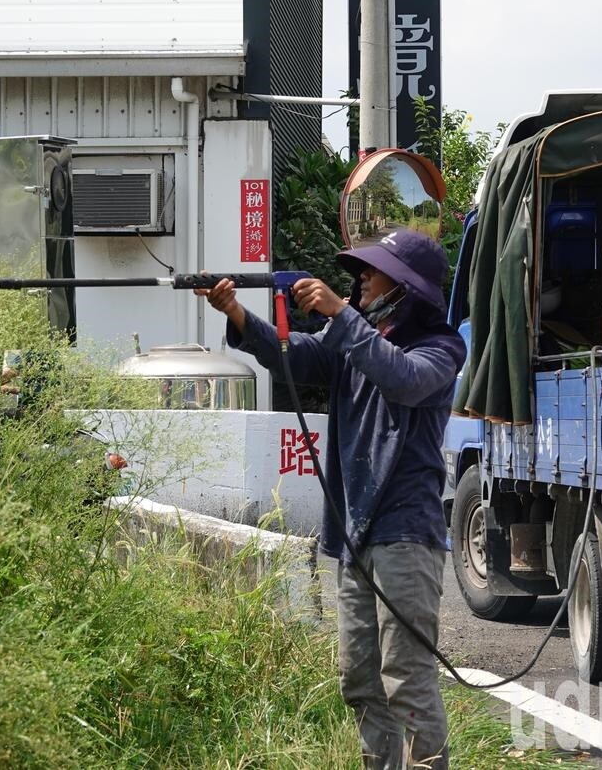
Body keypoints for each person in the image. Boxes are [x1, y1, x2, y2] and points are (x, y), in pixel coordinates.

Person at [196, 229, 466, 770]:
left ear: (405, 288)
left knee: (406, 679)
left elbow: (404, 379)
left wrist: (342, 316)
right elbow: (293, 357)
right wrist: (238, 315)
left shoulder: (439, 348)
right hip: (354, 534)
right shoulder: (355, 339)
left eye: (373, 271)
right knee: (359, 676)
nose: (361, 278)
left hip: (404, 534)